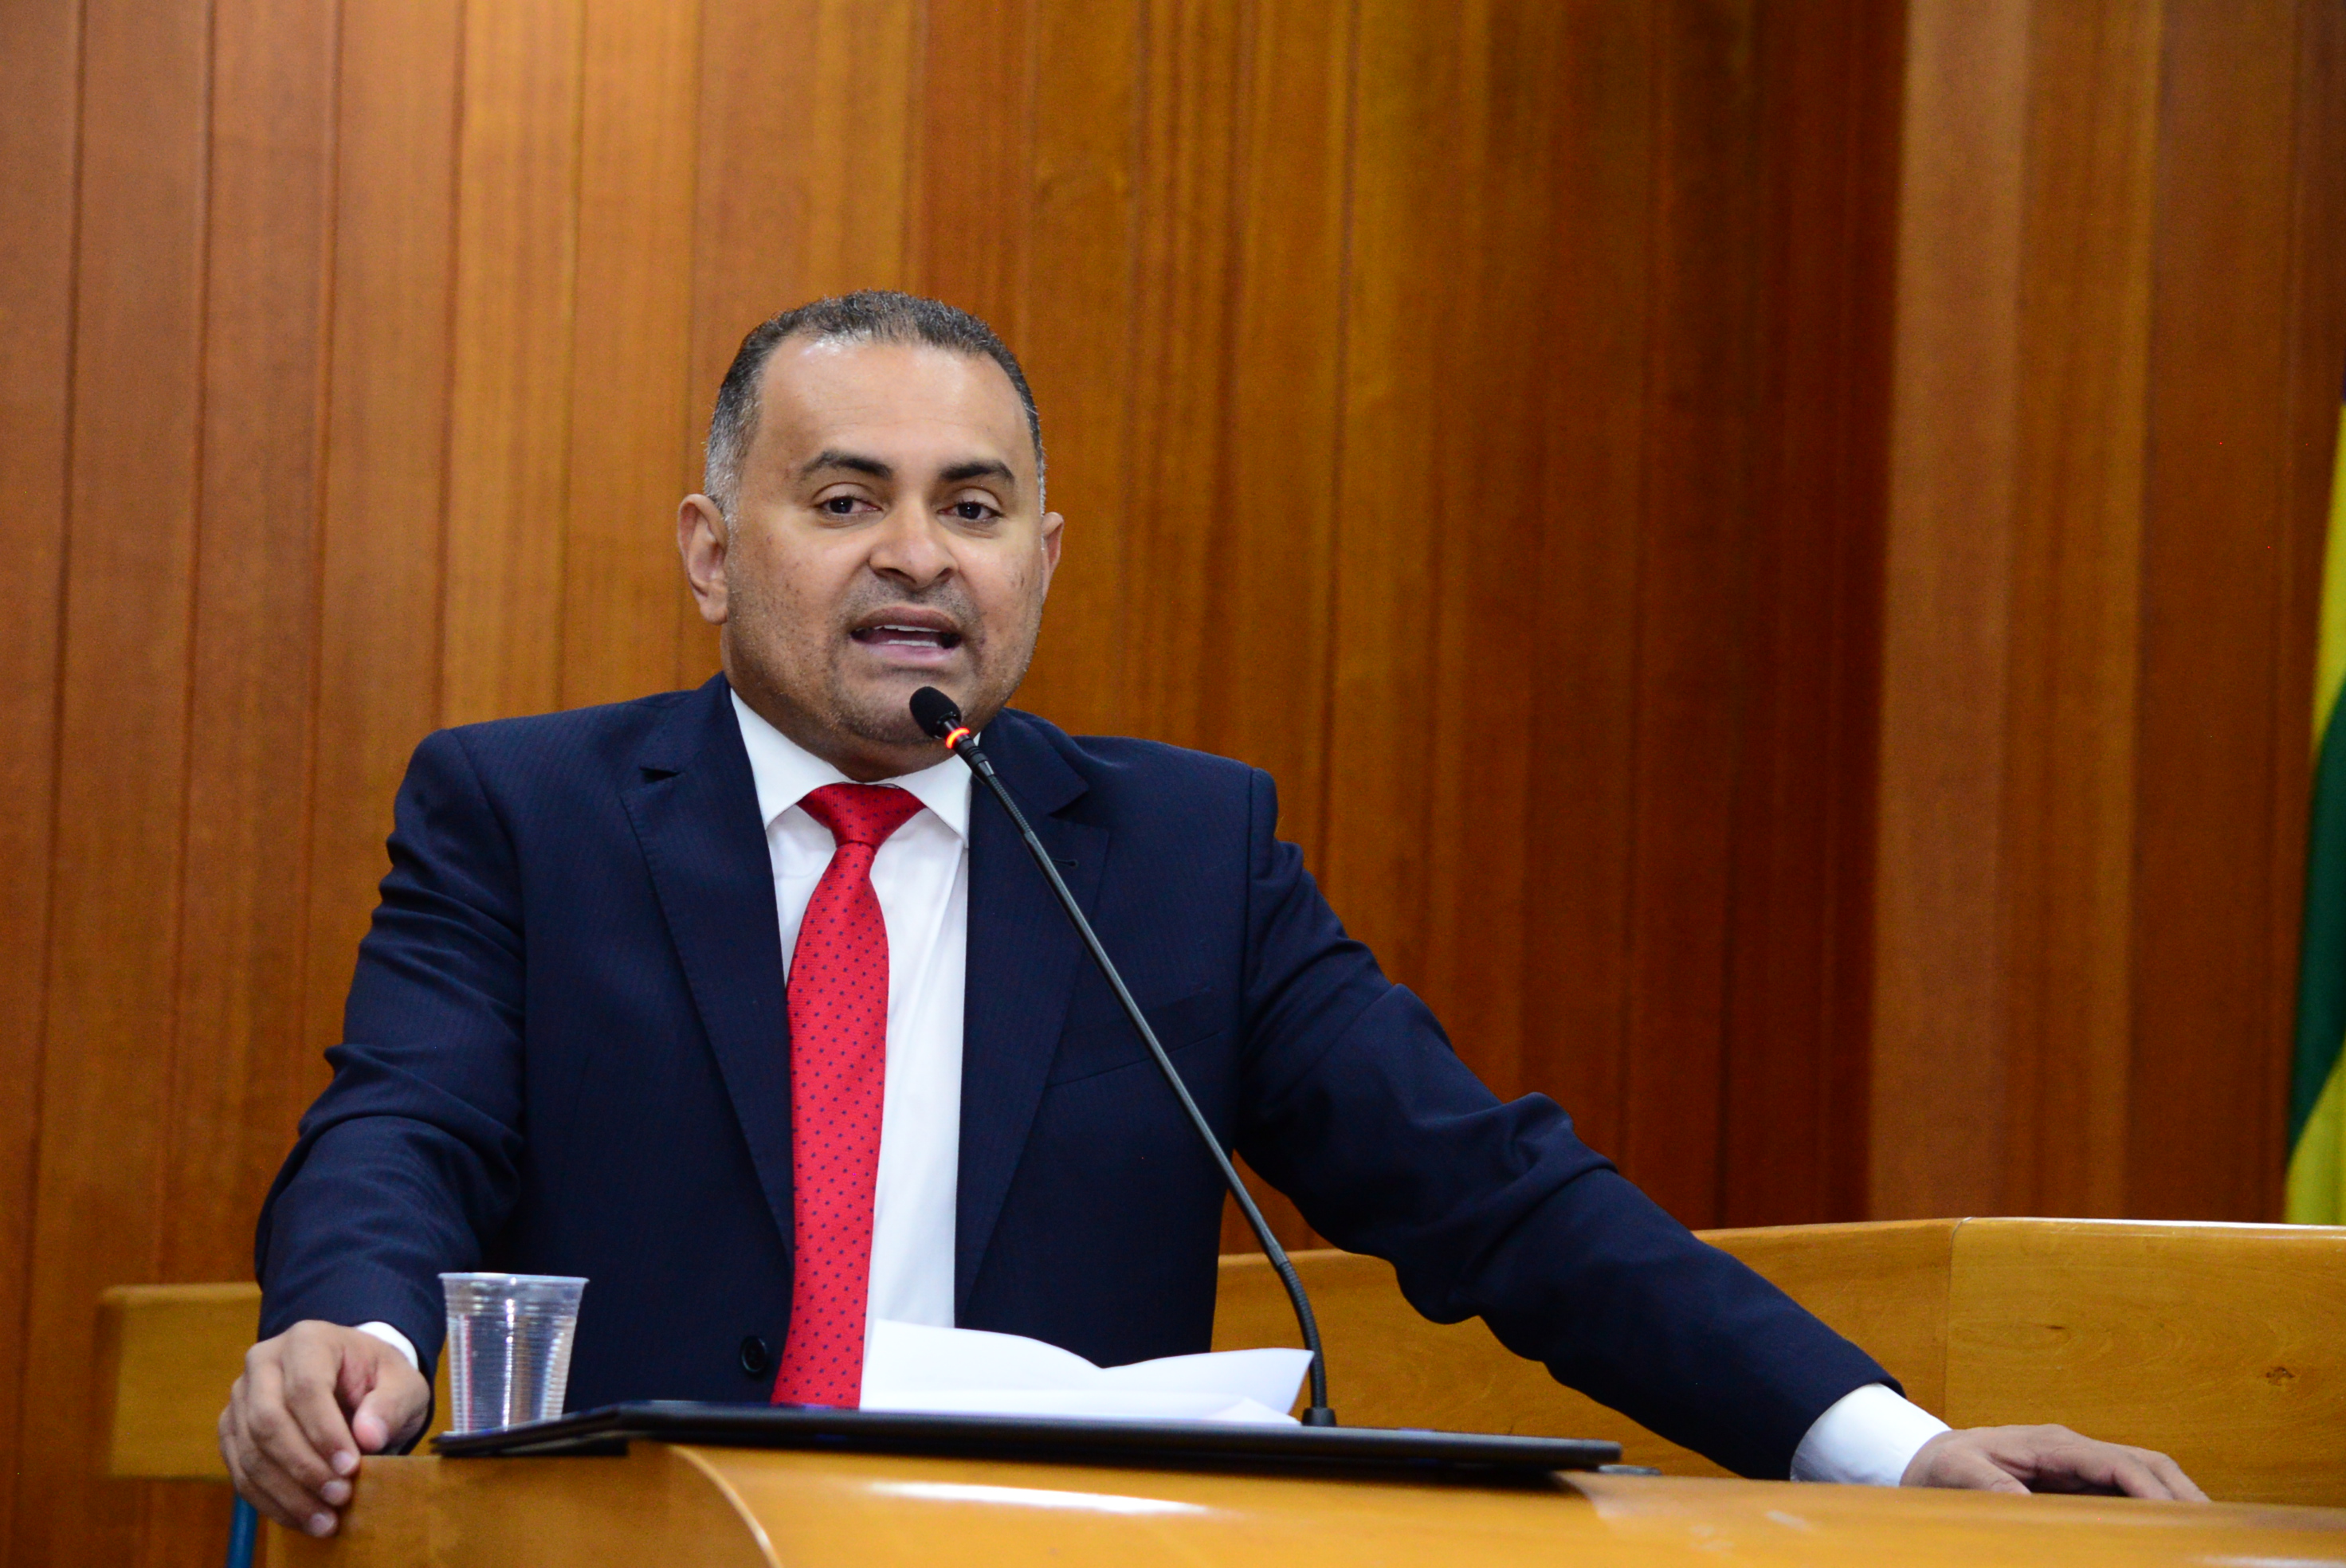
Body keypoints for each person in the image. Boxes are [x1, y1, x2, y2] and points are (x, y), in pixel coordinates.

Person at [218, 292, 2204, 1535]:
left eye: (972, 508)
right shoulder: (526, 813)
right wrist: (354, 1330)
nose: (916, 556)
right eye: (842, 500)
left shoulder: (1176, 853)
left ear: (1041, 557)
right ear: (708, 549)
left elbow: (1491, 1194)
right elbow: (404, 1127)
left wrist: (1884, 1445)